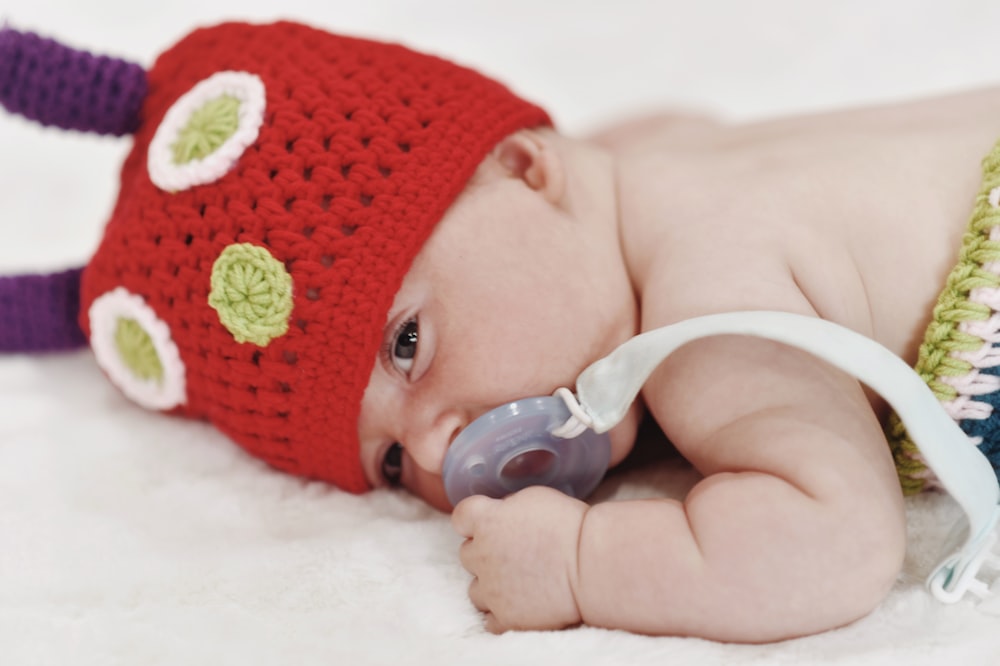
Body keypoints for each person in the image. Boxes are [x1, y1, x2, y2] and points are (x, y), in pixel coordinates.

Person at [3, 20, 999, 643]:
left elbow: (839, 543)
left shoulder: (707, 321)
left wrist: (580, 567)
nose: (441, 448)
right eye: (390, 462)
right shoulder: (643, 163)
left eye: (405, 347)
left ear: (527, 170)